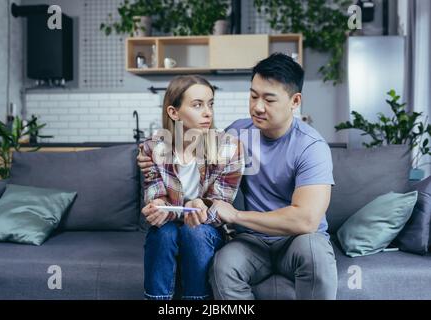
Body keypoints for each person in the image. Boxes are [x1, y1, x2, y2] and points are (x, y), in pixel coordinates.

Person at [138, 53, 337, 300]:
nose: (257, 107)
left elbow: (305, 220)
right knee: (224, 267)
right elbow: (193, 146)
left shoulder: (311, 146)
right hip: (253, 241)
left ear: (295, 101)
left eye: (269, 99)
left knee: (315, 253)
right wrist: (149, 157)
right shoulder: (238, 132)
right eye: (253, 96)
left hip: (297, 240)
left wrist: (235, 215)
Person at [140, 75, 245, 300]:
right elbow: (154, 191)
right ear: (173, 113)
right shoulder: (151, 148)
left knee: (194, 232)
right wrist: (156, 204)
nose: (208, 112)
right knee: (163, 234)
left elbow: (222, 204)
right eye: (197, 105)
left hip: (206, 228)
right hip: (168, 224)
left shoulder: (229, 147)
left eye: (210, 104)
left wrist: (203, 204)